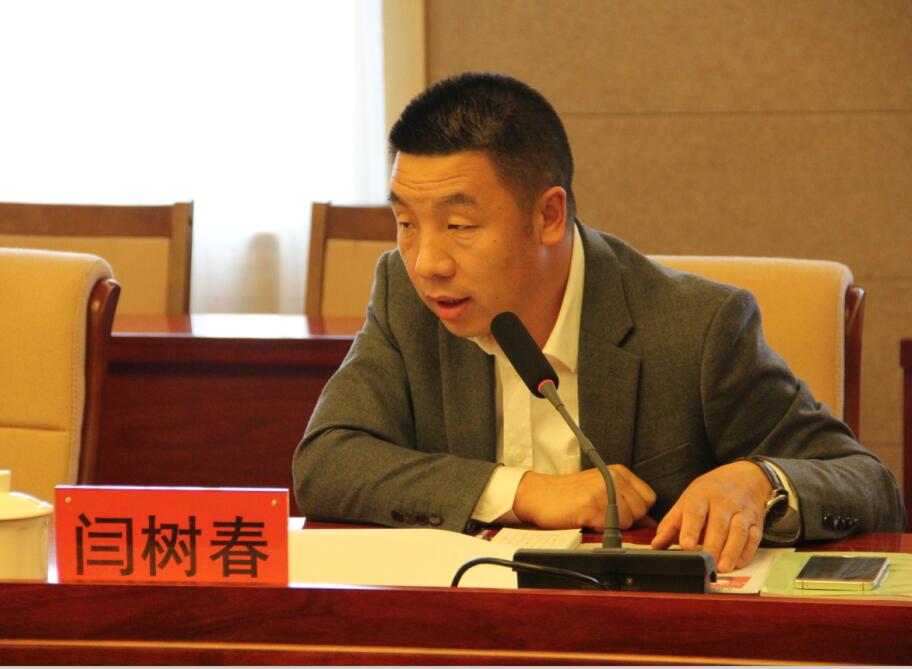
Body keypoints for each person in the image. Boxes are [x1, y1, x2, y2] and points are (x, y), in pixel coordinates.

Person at [293, 72, 905, 573]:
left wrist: (759, 481)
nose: (428, 262)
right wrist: (524, 491)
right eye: (406, 223)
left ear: (548, 217)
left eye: (459, 226)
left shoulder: (696, 327)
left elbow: (870, 486)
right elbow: (326, 461)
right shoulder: (405, 295)